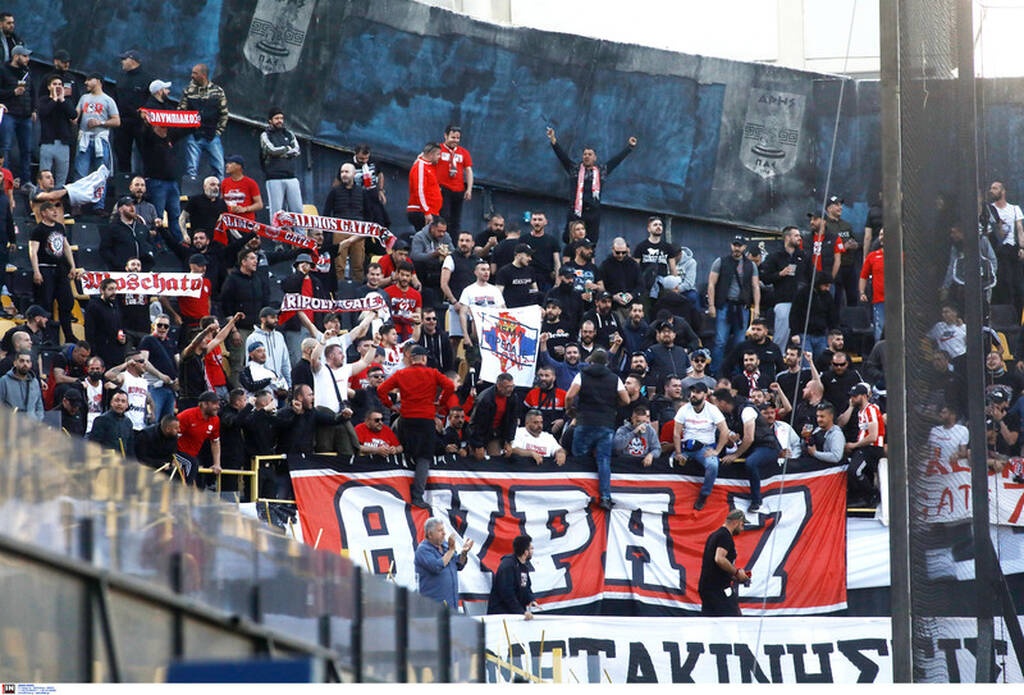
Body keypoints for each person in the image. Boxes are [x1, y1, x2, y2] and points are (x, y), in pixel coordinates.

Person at [377, 345, 455, 507]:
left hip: (406, 418)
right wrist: (440, 403)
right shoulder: (432, 373)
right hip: (426, 419)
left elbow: (381, 390)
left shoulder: (401, 373)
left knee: (403, 450)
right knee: (424, 458)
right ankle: (417, 497)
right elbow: (450, 386)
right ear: (424, 359)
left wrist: (390, 405)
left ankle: (397, 489)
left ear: (411, 359)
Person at [546, 126, 637, 244]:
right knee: (569, 238)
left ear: (595, 157)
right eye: (585, 154)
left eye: (590, 154)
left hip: (593, 212)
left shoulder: (601, 171)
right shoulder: (575, 169)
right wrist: (553, 140)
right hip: (576, 210)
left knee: (591, 241)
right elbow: (562, 156)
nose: (587, 156)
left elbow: (616, 160)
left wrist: (629, 147)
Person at [565, 348, 630, 510]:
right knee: (603, 461)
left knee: (579, 458)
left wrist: (570, 410)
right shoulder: (615, 378)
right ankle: (605, 497)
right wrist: (614, 406)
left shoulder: (582, 375)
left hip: (584, 421)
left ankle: (577, 496)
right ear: (607, 362)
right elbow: (626, 400)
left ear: (591, 360)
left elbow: (569, 396)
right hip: (606, 424)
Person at [707, 235, 760, 375]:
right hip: (724, 305)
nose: (737, 248)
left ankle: (738, 373)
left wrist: (757, 308)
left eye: (740, 245)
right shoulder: (721, 262)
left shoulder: (750, 265)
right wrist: (711, 305)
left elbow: (755, 287)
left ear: (744, 247)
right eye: (735, 245)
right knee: (720, 341)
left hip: (742, 307)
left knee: (740, 343)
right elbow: (711, 284)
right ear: (731, 245)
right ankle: (715, 372)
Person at [29, 201, 81, 344]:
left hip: (60, 269)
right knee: (46, 304)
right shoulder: (38, 230)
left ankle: (68, 334)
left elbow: (66, 247)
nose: (55, 212)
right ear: (44, 212)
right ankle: (46, 337)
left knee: (67, 301)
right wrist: (36, 271)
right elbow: (33, 251)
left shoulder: (59, 227)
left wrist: (72, 266)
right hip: (45, 268)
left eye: (56, 209)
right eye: (51, 210)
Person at [672, 382, 730, 511]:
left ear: (705, 395)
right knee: (671, 461)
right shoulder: (684, 409)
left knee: (713, 465)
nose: (694, 395)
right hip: (686, 446)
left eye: (698, 392)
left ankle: (704, 494)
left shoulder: (712, 410)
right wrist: (678, 452)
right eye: (692, 392)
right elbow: (676, 433)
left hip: (704, 447)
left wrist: (717, 451)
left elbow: (725, 431)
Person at [75, 72, 120, 211]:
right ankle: (78, 204)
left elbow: (117, 121)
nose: (86, 82)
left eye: (89, 80)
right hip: (85, 139)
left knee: (101, 173)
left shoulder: (108, 100)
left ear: (98, 81)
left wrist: (100, 122)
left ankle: (99, 205)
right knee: (80, 172)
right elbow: (75, 115)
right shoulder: (84, 98)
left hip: (100, 139)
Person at [760, 225, 807, 349]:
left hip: (801, 302)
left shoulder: (803, 256)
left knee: (802, 336)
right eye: (796, 235)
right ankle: (777, 358)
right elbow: (765, 277)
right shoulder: (775, 256)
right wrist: (780, 274)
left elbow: (810, 275)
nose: (799, 238)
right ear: (787, 237)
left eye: (799, 235)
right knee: (781, 334)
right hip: (783, 300)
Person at [179, 63, 228, 180]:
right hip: (194, 135)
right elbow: (181, 111)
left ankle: (220, 195)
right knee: (192, 169)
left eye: (195, 73)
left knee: (219, 167)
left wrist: (218, 132)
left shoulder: (217, 91)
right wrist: (187, 130)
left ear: (203, 75)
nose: (192, 76)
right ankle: (191, 194)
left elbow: (224, 113)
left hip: (212, 135)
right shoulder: (188, 91)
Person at [698, 508, 750, 616]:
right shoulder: (725, 536)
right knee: (732, 621)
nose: (742, 529)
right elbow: (719, 559)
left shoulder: (714, 535)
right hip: (718, 590)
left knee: (711, 625)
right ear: (736, 522)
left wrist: (734, 577)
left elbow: (713, 566)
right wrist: (736, 572)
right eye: (742, 525)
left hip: (707, 588)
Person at [415, 517, 474, 610]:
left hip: (452, 604)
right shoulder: (423, 550)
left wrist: (464, 553)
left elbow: (459, 564)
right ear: (430, 534)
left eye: (444, 530)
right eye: (440, 530)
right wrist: (451, 550)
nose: (444, 533)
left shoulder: (446, 546)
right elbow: (437, 567)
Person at [259, 106, 303, 219]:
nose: (280, 121)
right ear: (270, 120)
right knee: (276, 213)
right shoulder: (265, 135)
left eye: (281, 118)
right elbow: (271, 150)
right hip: (274, 178)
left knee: (297, 211)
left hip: (291, 177)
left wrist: (283, 151)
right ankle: (275, 236)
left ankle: (300, 235)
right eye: (276, 118)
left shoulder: (289, 134)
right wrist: (287, 149)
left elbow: (297, 150)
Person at [112, 49, 151, 173]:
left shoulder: (147, 79)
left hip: (141, 123)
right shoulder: (120, 78)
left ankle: (146, 183)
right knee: (122, 156)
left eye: (124, 59)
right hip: (122, 122)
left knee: (146, 155)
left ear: (133, 60)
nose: (122, 62)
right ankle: (124, 184)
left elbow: (152, 101)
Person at [0, 45, 34, 185]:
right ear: (16, 56)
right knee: (6, 147)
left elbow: (33, 93)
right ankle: (6, 180)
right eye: (24, 56)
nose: (27, 59)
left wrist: (34, 110)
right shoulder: (3, 70)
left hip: (25, 116)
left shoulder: (27, 72)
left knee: (26, 149)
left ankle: (26, 180)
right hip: (9, 113)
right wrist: (13, 92)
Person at [37, 72, 78, 190]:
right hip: (47, 142)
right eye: (54, 84)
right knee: (45, 175)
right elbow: (44, 113)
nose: (58, 86)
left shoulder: (66, 101)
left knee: (61, 177)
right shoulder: (43, 100)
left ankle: (57, 201)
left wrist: (62, 100)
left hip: (63, 143)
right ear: (49, 87)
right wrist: (54, 99)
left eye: (60, 84)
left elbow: (73, 115)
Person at [487, 534, 540, 619]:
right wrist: (521, 612)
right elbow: (507, 594)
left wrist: (531, 599)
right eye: (531, 548)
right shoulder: (507, 565)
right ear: (526, 552)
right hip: (501, 615)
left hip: (515, 614)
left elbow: (526, 587)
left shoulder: (523, 566)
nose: (533, 551)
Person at [176, 390, 222, 485]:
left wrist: (217, 464)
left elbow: (215, 442)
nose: (218, 406)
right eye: (214, 403)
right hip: (176, 452)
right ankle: (185, 493)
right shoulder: (186, 416)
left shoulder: (215, 420)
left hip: (193, 455)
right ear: (204, 404)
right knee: (191, 463)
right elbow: (172, 438)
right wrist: (171, 457)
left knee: (200, 480)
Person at [435, 125, 473, 234]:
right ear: (445, 136)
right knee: (444, 217)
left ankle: (453, 244)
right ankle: (442, 241)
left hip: (458, 189)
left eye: (457, 138)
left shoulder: (463, 152)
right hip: (443, 188)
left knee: (456, 220)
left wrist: (469, 189)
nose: (455, 141)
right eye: (453, 137)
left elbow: (468, 170)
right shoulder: (438, 149)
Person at [407, 142, 442, 233]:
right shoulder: (420, 167)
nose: (439, 157)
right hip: (421, 211)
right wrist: (426, 212)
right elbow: (419, 191)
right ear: (430, 155)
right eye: (438, 154)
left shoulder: (429, 165)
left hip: (430, 211)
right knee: (426, 241)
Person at [859, 228, 886, 342]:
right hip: (879, 300)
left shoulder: (901, 255)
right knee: (879, 328)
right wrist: (862, 292)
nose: (882, 236)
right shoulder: (872, 256)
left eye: (884, 234)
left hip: (898, 301)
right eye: (880, 234)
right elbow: (863, 276)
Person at [87, 390, 134, 455]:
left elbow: (130, 448)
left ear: (127, 405)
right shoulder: (101, 420)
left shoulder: (128, 423)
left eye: (123, 401)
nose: (119, 403)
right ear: (111, 402)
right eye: (117, 400)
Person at [0, 351, 43, 420]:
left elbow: (39, 406)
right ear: (15, 363)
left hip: (32, 425)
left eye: (27, 361)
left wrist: (37, 420)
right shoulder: (4, 381)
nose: (25, 364)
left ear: (31, 364)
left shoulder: (35, 382)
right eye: (22, 361)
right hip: (11, 424)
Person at [221, 155, 263, 221]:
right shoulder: (224, 182)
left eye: (230, 163)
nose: (227, 165)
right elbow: (221, 201)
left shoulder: (250, 183)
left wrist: (245, 209)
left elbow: (259, 204)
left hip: (246, 222)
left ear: (239, 166)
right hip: (229, 222)